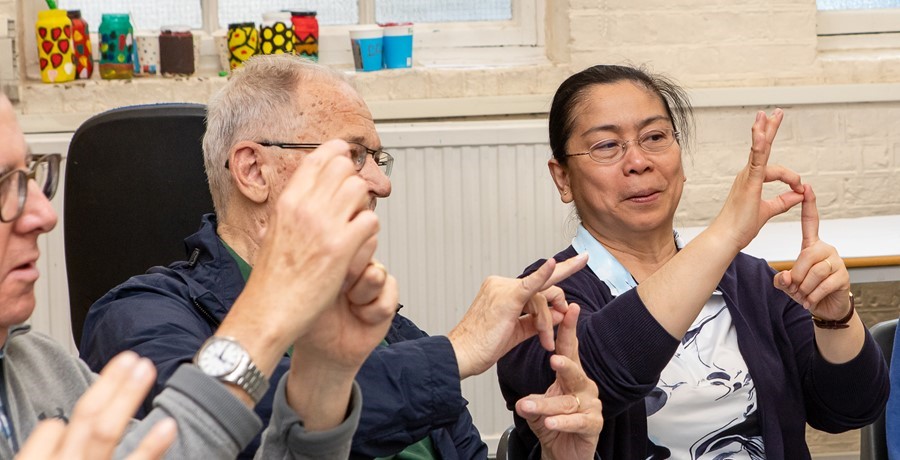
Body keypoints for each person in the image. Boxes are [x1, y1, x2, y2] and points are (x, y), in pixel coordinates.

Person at [80, 53, 603, 460]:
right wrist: (455, 351)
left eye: (378, 158)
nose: (381, 183)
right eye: (354, 155)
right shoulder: (142, 314)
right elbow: (218, 433)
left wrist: (557, 451)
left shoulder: (394, 333)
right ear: (254, 171)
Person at [497, 64, 889, 459]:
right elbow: (604, 372)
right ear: (562, 178)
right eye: (607, 146)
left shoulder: (752, 281)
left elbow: (849, 408)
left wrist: (835, 316)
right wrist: (724, 235)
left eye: (654, 137)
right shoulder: (541, 298)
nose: (638, 161)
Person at [0, 88, 401, 458]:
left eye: (30, 175)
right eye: (3, 185)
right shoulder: (136, 312)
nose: (43, 214)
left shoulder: (41, 369)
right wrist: (266, 312)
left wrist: (324, 374)